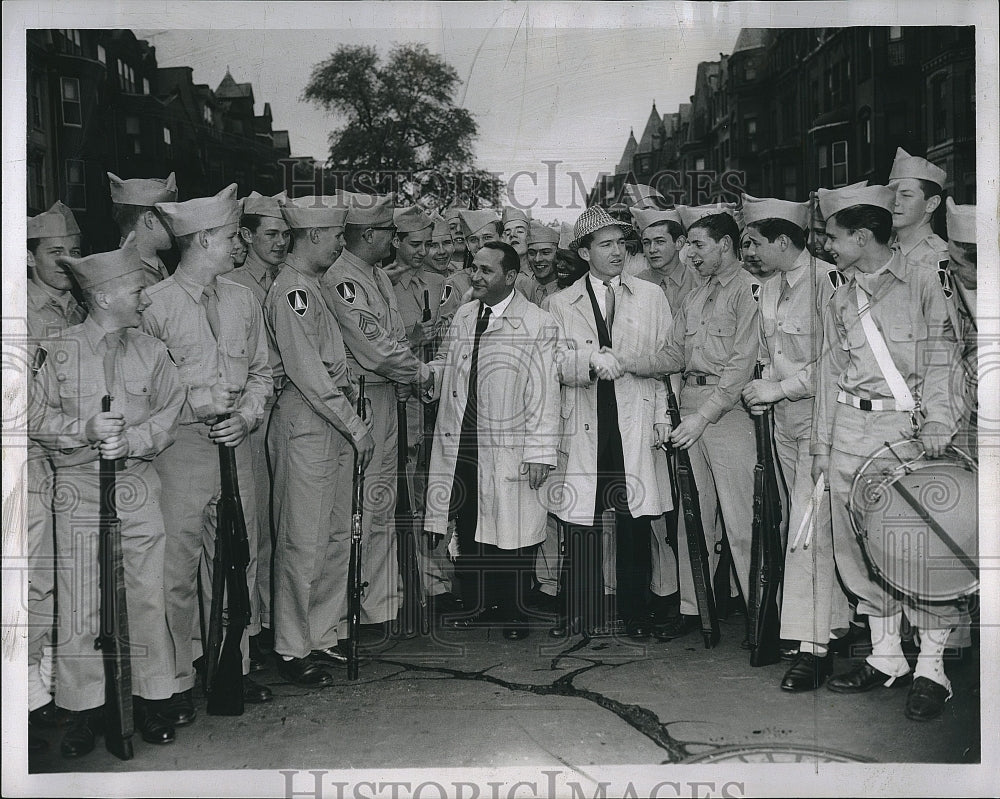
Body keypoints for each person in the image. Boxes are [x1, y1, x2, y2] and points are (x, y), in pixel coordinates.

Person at [812, 183, 964, 720]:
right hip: (851, 430)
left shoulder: (924, 280)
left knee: (919, 550)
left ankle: (933, 669)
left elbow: (943, 356)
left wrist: (941, 422)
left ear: (861, 235)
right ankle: (886, 655)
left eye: (832, 236)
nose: (826, 245)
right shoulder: (838, 293)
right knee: (860, 551)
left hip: (908, 432)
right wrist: (823, 443)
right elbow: (832, 372)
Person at [29, 239, 185, 757]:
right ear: (103, 297)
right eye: (136, 289)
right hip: (77, 488)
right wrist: (85, 428)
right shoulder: (58, 349)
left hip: (138, 485)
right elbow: (34, 418)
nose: (145, 298)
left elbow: (170, 413)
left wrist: (134, 440)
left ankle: (149, 700)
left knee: (145, 595)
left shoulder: (153, 351)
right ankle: (84, 709)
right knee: (80, 604)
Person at [142, 184, 274, 725]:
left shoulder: (244, 298)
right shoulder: (153, 306)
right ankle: (172, 682)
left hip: (236, 450)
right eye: (229, 235)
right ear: (201, 241)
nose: (238, 244)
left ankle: (230, 667)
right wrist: (196, 404)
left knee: (237, 562)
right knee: (175, 572)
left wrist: (247, 416)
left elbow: (264, 373)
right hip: (180, 455)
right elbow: (140, 395)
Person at [618, 212, 759, 642]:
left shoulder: (748, 292)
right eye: (690, 245)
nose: (690, 253)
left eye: (698, 244)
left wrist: (703, 417)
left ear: (725, 245)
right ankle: (692, 608)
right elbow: (672, 356)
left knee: (740, 519)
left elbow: (741, 365)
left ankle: (760, 615)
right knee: (692, 517)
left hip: (727, 412)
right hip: (691, 407)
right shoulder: (695, 297)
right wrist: (625, 363)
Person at [546, 206, 674, 639]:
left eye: (621, 242)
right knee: (580, 518)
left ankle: (636, 613)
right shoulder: (560, 303)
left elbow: (664, 360)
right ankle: (578, 610)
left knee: (633, 517)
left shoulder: (651, 296)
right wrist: (589, 361)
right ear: (584, 252)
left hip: (633, 417)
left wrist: (661, 417)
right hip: (584, 417)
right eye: (606, 244)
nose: (617, 251)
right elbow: (553, 363)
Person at [738, 193, 849, 690]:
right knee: (806, 528)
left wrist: (777, 387)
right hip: (784, 424)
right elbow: (771, 349)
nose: (749, 253)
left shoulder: (827, 283)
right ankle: (834, 623)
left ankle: (813, 648)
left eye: (755, 243)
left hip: (821, 424)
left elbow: (832, 362)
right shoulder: (770, 285)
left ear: (784, 240)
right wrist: (763, 386)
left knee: (809, 534)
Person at [423, 241, 560, 639]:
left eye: (486, 271)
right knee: (469, 524)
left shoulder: (537, 323)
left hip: (510, 445)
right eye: (474, 269)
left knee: (512, 531)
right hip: (463, 441)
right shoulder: (466, 315)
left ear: (511, 277)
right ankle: (479, 604)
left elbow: (545, 394)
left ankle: (514, 611)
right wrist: (423, 376)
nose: (476, 277)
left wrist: (539, 453)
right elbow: (448, 366)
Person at [264, 194, 375, 685]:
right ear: (313, 235)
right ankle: (291, 646)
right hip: (308, 423)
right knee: (302, 539)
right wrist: (353, 425)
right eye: (334, 235)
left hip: (331, 421)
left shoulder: (312, 286)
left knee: (333, 535)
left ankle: (323, 633)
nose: (339, 244)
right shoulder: (292, 292)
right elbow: (309, 374)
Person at [321, 194, 433, 636]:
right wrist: (421, 371)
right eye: (389, 232)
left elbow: (393, 338)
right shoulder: (342, 280)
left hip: (389, 397)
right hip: (363, 397)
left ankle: (380, 607)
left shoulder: (377, 277)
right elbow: (376, 348)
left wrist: (411, 364)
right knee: (362, 506)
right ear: (368, 235)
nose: (394, 239)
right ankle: (355, 610)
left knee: (382, 503)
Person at [25, 202, 87, 748]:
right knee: (33, 577)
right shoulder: (21, 307)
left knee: (68, 577)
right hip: (26, 458)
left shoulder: (79, 304)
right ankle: (28, 694)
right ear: (29, 255)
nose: (66, 262)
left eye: (73, 251)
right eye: (54, 252)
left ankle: (55, 688)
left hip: (71, 460)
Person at [385, 205, 460, 614]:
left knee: (434, 490)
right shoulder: (383, 284)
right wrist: (414, 337)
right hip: (401, 400)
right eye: (416, 244)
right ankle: (401, 584)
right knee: (400, 493)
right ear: (395, 242)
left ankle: (435, 581)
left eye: (428, 244)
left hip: (436, 400)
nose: (424, 251)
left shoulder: (441, 284)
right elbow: (380, 344)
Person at [227, 190, 291, 662]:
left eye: (287, 234)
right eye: (272, 234)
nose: (281, 242)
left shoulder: (282, 282)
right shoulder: (234, 288)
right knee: (250, 530)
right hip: (251, 422)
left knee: (277, 523)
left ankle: (269, 623)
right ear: (246, 236)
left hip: (284, 417)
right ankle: (244, 634)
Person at [107, 172, 178, 284]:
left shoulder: (155, 263)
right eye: (168, 218)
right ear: (149, 220)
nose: (174, 225)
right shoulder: (127, 274)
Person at [887, 147, 948, 274]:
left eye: (906, 195)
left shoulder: (939, 259)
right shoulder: (888, 251)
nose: (895, 201)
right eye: (891, 194)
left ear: (932, 204)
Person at [630, 207, 694, 316]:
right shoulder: (634, 286)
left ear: (679, 243)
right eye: (646, 243)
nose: (652, 249)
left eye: (659, 242)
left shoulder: (700, 282)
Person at [523, 221, 562, 307]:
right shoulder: (521, 288)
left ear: (558, 255)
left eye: (545, 253)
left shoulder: (567, 292)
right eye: (532, 253)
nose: (537, 259)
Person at [501, 206, 533, 296]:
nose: (512, 235)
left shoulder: (542, 272)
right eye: (507, 233)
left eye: (519, 231)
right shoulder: (501, 275)